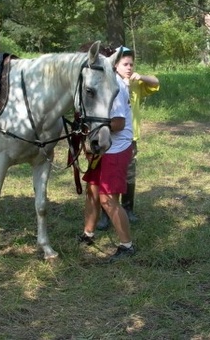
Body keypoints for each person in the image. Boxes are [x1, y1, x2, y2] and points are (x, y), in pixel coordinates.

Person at [77, 52, 135, 262]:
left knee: (108, 199)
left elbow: (118, 124)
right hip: (103, 146)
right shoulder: (106, 82)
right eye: (124, 64)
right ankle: (88, 234)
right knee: (92, 191)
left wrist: (92, 124)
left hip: (116, 148)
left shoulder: (116, 88)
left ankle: (126, 246)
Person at [96, 46, 160, 229]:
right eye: (125, 64)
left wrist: (141, 77)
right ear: (115, 65)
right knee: (105, 175)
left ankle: (128, 208)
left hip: (130, 139)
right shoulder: (109, 83)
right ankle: (106, 214)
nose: (129, 67)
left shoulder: (135, 84)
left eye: (131, 64)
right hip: (109, 136)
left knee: (128, 175)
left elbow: (155, 82)